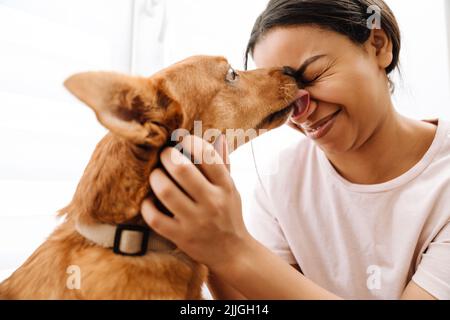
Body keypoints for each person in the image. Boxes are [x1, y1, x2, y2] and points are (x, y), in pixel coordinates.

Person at [141, 0, 450, 299]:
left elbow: (240, 259)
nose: (300, 111)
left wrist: (230, 246)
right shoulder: (281, 182)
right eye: (284, 98)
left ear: (379, 45)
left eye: (314, 75)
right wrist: (205, 235)